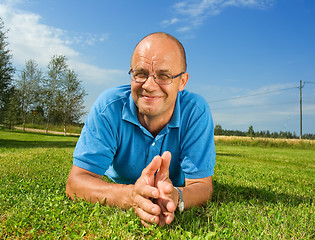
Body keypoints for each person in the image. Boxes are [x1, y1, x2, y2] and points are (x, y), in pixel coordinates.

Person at [66, 32, 216, 227]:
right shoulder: (109, 107)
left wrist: (177, 196)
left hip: (172, 186)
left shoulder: (196, 111)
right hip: (121, 185)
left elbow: (202, 186)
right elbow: (76, 182)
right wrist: (130, 196)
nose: (149, 85)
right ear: (131, 74)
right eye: (141, 74)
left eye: (164, 76)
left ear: (182, 82)